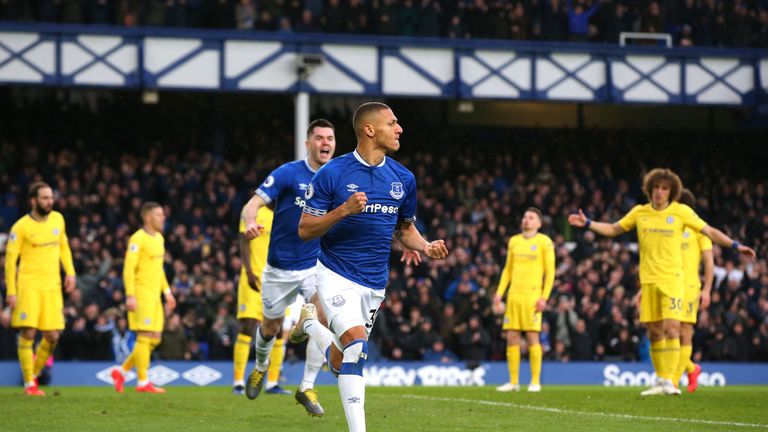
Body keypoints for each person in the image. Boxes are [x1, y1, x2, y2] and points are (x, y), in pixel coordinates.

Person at [292, 102, 449, 432]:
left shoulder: (403, 178)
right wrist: (342, 211)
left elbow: (404, 229)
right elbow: (306, 229)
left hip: (375, 282)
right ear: (369, 130)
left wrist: (425, 245)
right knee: (358, 347)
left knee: (341, 361)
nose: (399, 129)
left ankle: (310, 325)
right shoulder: (332, 174)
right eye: (392, 123)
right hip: (336, 274)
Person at [568, 168, 755, 396]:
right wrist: (589, 224)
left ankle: (670, 381)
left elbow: (711, 231)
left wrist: (736, 246)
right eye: (656, 187)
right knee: (654, 332)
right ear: (650, 189)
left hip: (673, 280)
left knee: (673, 328)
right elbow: (614, 228)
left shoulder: (681, 212)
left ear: (672, 191)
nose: (659, 192)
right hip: (649, 281)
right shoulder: (640, 212)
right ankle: (660, 381)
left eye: (664, 188)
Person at [241, 119, 337, 416]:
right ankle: (260, 367)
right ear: (308, 143)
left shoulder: (338, 177)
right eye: (319, 138)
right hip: (279, 268)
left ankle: (306, 386)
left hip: (314, 265)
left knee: (325, 317)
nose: (325, 143)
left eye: (330, 138)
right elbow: (251, 205)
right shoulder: (288, 173)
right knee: (269, 328)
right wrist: (249, 223)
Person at [5, 182, 76, 396]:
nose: (50, 201)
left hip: (52, 287)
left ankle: (33, 374)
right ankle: (29, 383)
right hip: (29, 286)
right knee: (28, 332)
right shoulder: (21, 227)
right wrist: (11, 291)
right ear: (33, 201)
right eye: (45, 198)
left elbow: (64, 246)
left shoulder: (58, 219)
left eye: (51, 197)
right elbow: (10, 261)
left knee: (53, 335)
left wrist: (70, 272)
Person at [110, 202, 177, 394]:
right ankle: (142, 382)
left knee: (154, 339)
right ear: (147, 217)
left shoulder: (159, 239)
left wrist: (167, 292)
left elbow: (159, 270)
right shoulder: (137, 239)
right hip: (141, 294)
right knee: (144, 336)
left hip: (156, 295)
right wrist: (130, 295)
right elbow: (128, 269)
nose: (163, 217)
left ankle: (121, 372)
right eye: (158, 214)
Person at [493, 207, 555, 393]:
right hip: (514, 296)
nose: (526, 220)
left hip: (532, 297)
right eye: (524, 216)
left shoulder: (545, 242)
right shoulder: (514, 241)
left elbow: (550, 271)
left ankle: (535, 381)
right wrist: (499, 293)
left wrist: (544, 297)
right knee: (511, 336)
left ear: (539, 223)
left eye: (531, 217)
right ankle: (513, 382)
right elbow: (507, 270)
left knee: (531, 336)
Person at [232, 204, 287, 395]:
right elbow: (243, 241)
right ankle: (238, 381)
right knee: (247, 325)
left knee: (278, 330)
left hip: (279, 280)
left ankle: (272, 383)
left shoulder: (286, 211)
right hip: (254, 277)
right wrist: (248, 271)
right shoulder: (251, 211)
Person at [673, 188, 713, 393]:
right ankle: (691, 368)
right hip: (671, 285)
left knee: (684, 331)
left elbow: (709, 262)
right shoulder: (671, 228)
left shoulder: (699, 230)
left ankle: (672, 381)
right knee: (667, 330)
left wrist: (707, 289)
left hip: (689, 288)